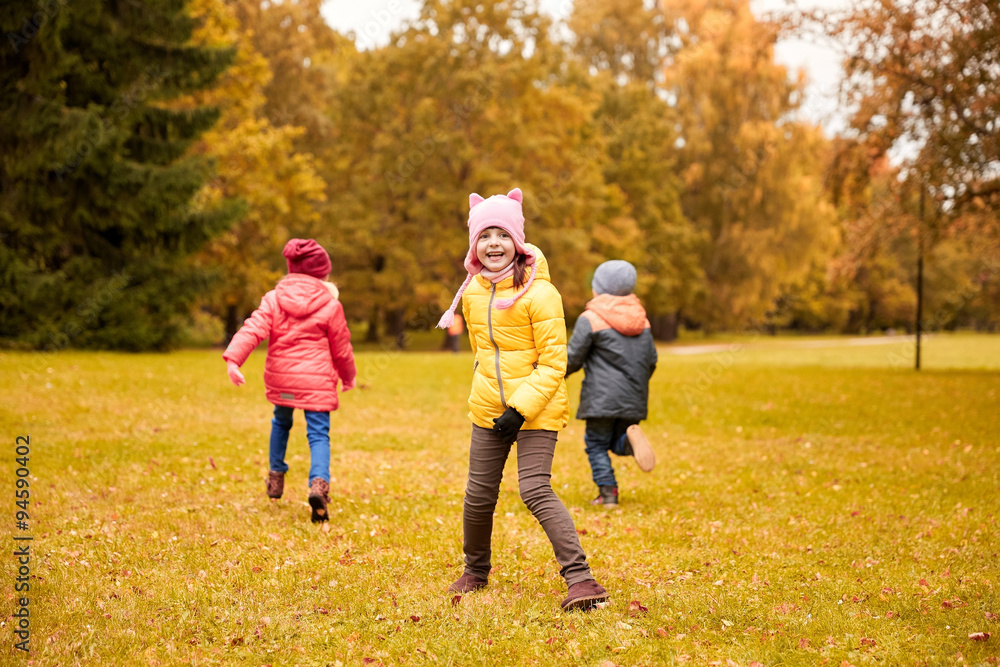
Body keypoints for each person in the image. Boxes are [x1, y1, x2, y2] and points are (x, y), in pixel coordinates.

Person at [437, 188, 608, 611]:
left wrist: (519, 408)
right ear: (475, 244)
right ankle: (475, 570)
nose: (493, 243)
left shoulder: (541, 294)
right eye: (484, 235)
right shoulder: (475, 291)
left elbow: (555, 363)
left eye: (502, 235)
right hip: (489, 409)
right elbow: (482, 351)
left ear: (518, 242)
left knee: (534, 489)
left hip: (535, 408)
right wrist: (491, 399)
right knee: (478, 496)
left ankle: (581, 580)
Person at [223, 238, 357, 523]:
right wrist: (348, 377)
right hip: (317, 382)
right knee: (318, 434)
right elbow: (341, 348)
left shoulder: (273, 299)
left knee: (281, 422)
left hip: (282, 379)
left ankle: (275, 476)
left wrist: (234, 359)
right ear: (323, 273)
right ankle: (319, 484)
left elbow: (253, 329)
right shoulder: (330, 305)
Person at [565, 260, 658, 508]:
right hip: (633, 397)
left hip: (601, 398)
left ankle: (608, 494)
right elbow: (651, 360)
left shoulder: (591, 318)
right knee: (615, 443)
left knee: (596, 444)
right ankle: (629, 440)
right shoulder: (642, 320)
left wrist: (553, 373)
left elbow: (572, 358)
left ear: (599, 289)